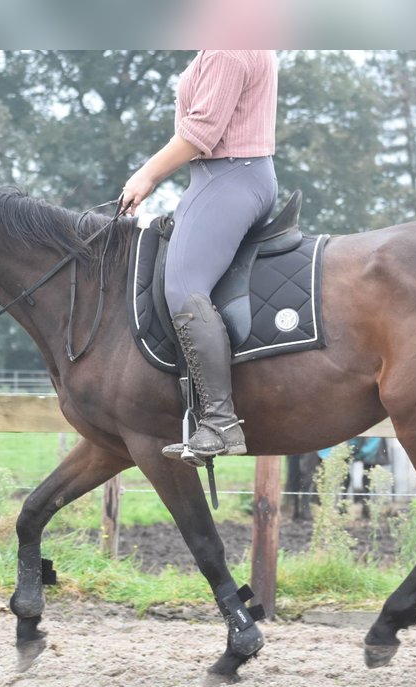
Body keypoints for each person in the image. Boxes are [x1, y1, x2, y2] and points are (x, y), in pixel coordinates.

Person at [120, 50, 279, 460]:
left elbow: (201, 131)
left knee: (184, 287)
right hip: (223, 177)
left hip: (229, 176)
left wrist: (146, 175)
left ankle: (220, 422)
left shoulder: (228, 46)